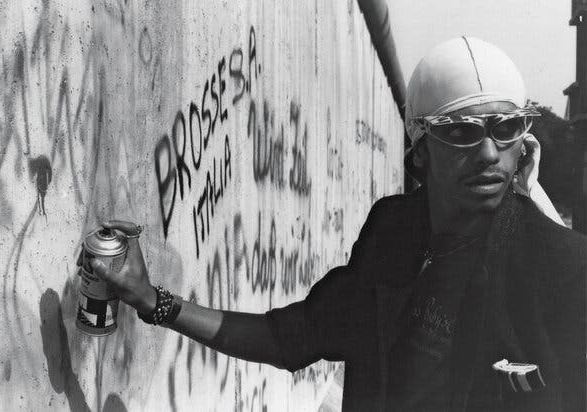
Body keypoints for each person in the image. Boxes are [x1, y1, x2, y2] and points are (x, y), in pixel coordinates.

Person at [86, 37, 586, 411]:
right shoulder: (393, 234)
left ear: (524, 140)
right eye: (461, 132)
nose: (488, 153)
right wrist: (152, 300)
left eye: (506, 128)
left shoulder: (562, 267)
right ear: (420, 150)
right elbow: (291, 337)